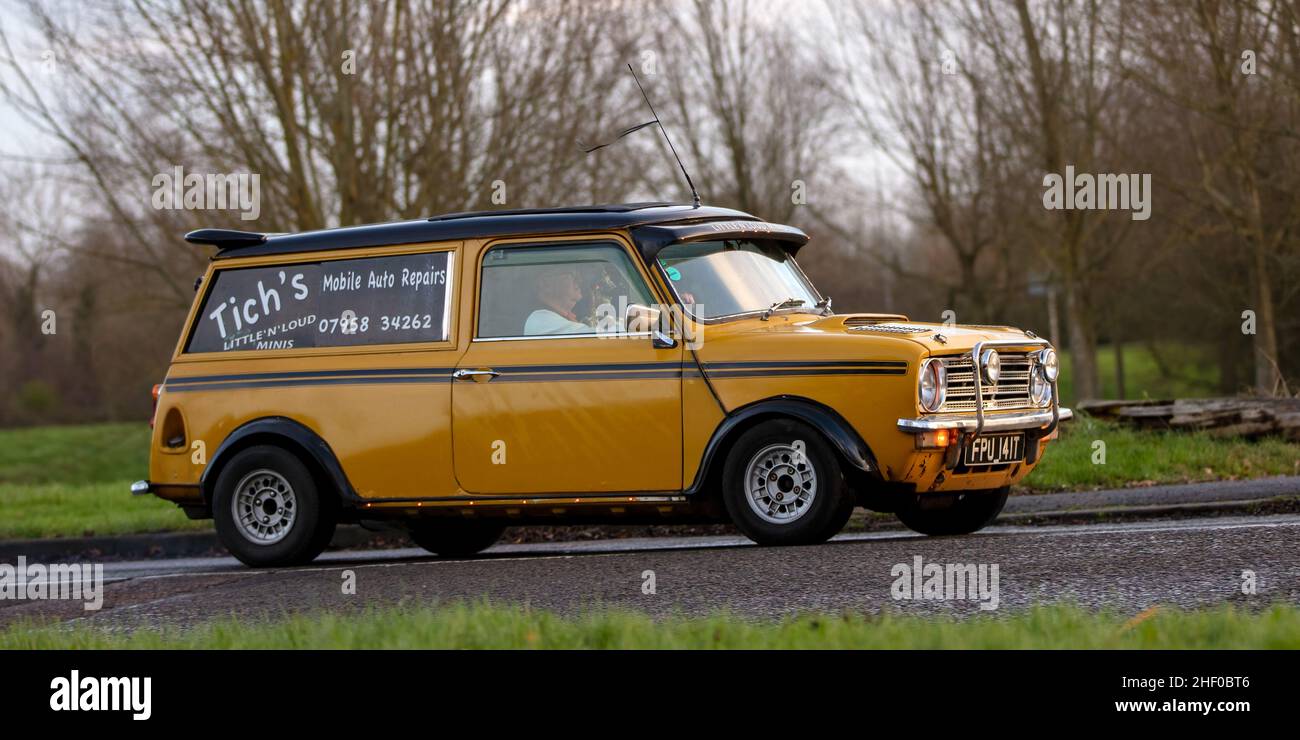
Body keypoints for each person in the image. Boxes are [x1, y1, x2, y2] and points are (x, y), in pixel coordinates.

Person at [524, 264, 594, 335]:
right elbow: (597, 337)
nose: (580, 280)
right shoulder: (540, 320)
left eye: (579, 275)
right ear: (545, 283)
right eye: (572, 274)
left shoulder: (557, 318)